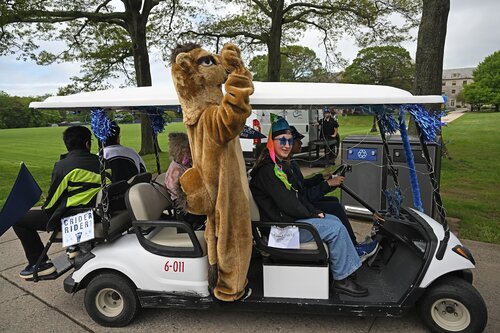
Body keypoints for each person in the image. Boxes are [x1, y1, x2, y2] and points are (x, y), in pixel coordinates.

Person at [249, 117, 368, 297]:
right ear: (272, 142)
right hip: (279, 233)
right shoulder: (268, 171)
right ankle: (342, 280)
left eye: (289, 141)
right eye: (282, 140)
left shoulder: (277, 166)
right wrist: (313, 212)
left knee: (334, 218)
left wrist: (314, 212)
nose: (287, 145)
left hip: (285, 222)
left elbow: (295, 195)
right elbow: (289, 203)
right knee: (335, 228)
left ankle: (347, 268)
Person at [12, 126, 103, 279]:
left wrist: (45, 206)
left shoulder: (63, 167)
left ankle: (39, 264)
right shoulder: (102, 163)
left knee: (19, 219)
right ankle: (73, 245)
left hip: (74, 217)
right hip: (97, 214)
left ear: (67, 144)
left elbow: (51, 204)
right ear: (88, 144)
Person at [288, 126, 378, 262]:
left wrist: (322, 178)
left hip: (303, 203)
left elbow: (302, 185)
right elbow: (302, 196)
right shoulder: (283, 168)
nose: (301, 143)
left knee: (334, 201)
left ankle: (353, 245)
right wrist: (328, 184)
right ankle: (353, 248)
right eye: (297, 141)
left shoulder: (292, 163)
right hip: (300, 210)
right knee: (335, 209)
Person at [164, 132, 206, 229]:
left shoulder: (186, 165)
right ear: (177, 153)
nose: (189, 156)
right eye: (186, 153)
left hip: (193, 197)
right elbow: (174, 191)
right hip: (182, 204)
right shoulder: (175, 170)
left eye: (189, 153)